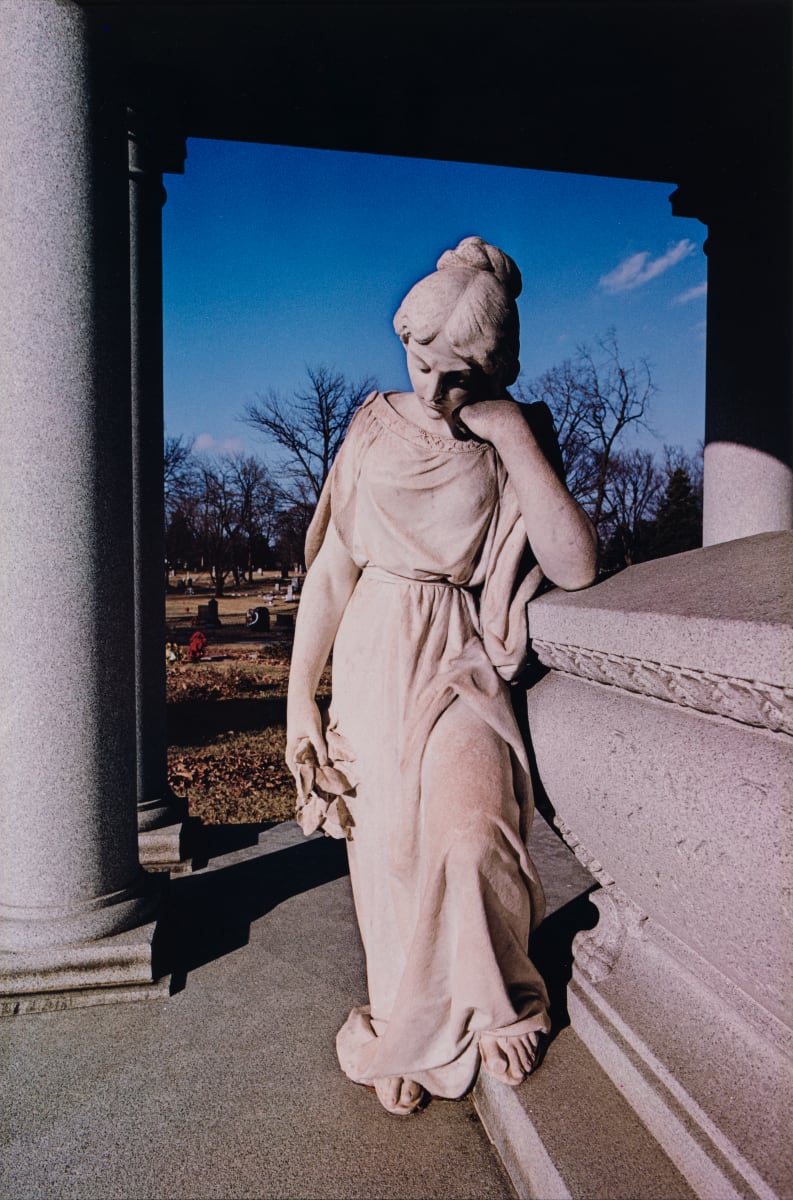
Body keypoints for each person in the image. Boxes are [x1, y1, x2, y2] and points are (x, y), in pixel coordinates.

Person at [286, 237, 597, 1116]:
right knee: (385, 858)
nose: (431, 389)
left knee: (470, 833)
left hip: (458, 656)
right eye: (420, 362)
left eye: (459, 373)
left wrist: (507, 431)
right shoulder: (372, 423)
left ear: (493, 368)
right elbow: (333, 572)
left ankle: (495, 998)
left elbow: (573, 565)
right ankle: (407, 1023)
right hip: (374, 647)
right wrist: (298, 705)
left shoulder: (512, 429)